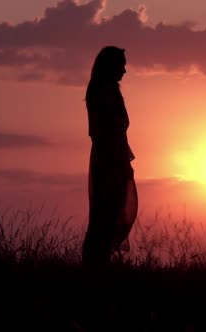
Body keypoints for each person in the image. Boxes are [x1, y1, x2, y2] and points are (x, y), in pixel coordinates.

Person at [82, 46, 138, 268]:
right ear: (111, 66)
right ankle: (95, 265)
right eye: (121, 65)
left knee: (106, 213)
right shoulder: (104, 91)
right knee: (106, 214)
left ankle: (96, 263)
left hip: (109, 158)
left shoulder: (103, 89)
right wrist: (121, 162)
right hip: (109, 159)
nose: (124, 71)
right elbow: (110, 131)